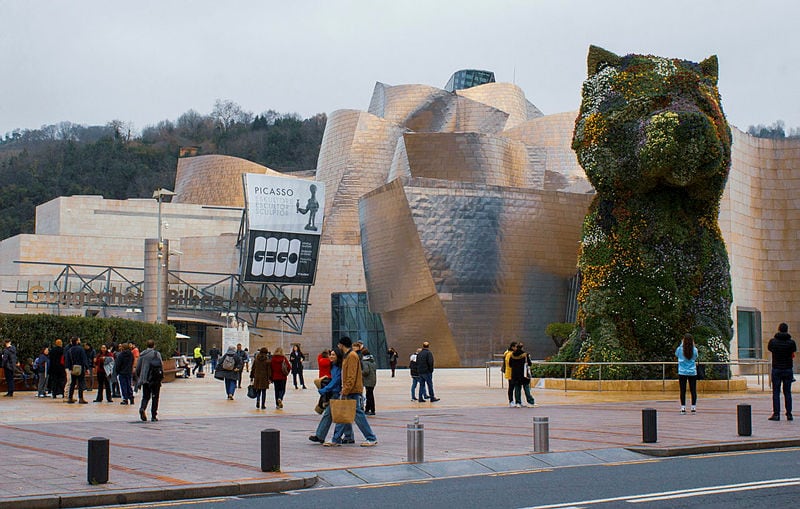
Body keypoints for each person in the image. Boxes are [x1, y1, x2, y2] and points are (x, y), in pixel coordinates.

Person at [338, 336, 378, 446]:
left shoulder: (351, 356)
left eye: (339, 345)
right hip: (350, 389)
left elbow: (351, 375)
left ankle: (370, 437)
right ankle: (345, 437)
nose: (338, 347)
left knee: (357, 414)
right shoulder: (347, 356)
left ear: (342, 345)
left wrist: (345, 389)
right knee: (346, 413)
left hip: (353, 390)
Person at [308, 349, 354, 446]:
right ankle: (348, 436)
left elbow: (336, 380)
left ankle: (322, 436)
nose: (331, 356)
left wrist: (324, 390)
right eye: (330, 354)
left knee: (338, 415)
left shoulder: (339, 367)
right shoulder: (333, 366)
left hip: (338, 394)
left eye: (333, 355)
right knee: (338, 415)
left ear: (338, 356)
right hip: (335, 393)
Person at [768, 323, 797, 421]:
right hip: (788, 369)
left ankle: (776, 414)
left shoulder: (773, 342)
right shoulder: (791, 343)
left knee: (776, 392)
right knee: (787, 392)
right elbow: (793, 352)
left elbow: (770, 349)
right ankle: (789, 414)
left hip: (776, 369)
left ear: (779, 329)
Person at [135, 339, 163, 422]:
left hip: (145, 379)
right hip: (154, 379)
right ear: (154, 346)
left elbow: (138, 367)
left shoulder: (142, 354)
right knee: (155, 397)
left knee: (145, 396)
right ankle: (153, 415)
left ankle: (142, 408)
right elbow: (160, 365)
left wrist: (140, 376)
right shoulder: (156, 354)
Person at [675, 333, 699, 414]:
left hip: (682, 372)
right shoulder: (694, 350)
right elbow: (696, 356)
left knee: (682, 390)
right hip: (692, 372)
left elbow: (676, 355)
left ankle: (683, 408)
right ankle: (693, 407)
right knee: (693, 390)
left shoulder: (679, 349)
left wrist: (682, 344)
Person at [65, 337, 88, 404]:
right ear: (77, 341)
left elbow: (68, 360)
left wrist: (70, 368)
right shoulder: (81, 349)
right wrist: (86, 367)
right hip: (80, 367)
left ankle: (70, 397)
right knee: (80, 383)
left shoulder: (70, 350)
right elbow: (84, 359)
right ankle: (81, 398)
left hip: (73, 368)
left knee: (72, 383)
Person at [507, 343, 529, 407]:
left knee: (517, 388)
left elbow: (510, 364)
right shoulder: (525, 355)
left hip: (514, 374)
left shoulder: (512, 355)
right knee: (526, 388)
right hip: (523, 374)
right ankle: (530, 401)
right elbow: (529, 363)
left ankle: (517, 402)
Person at [361, 347, 377, 415]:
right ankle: (368, 409)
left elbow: (366, 371)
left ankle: (371, 410)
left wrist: (360, 372)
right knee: (370, 395)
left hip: (368, 380)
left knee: (369, 396)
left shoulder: (365, 362)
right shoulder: (372, 361)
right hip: (373, 380)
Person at [502, 341, 517, 407]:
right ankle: (511, 401)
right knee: (511, 387)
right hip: (511, 373)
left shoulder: (509, 353)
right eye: (516, 347)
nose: (517, 348)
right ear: (512, 347)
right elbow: (509, 364)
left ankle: (516, 401)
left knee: (514, 387)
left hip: (512, 373)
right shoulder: (509, 354)